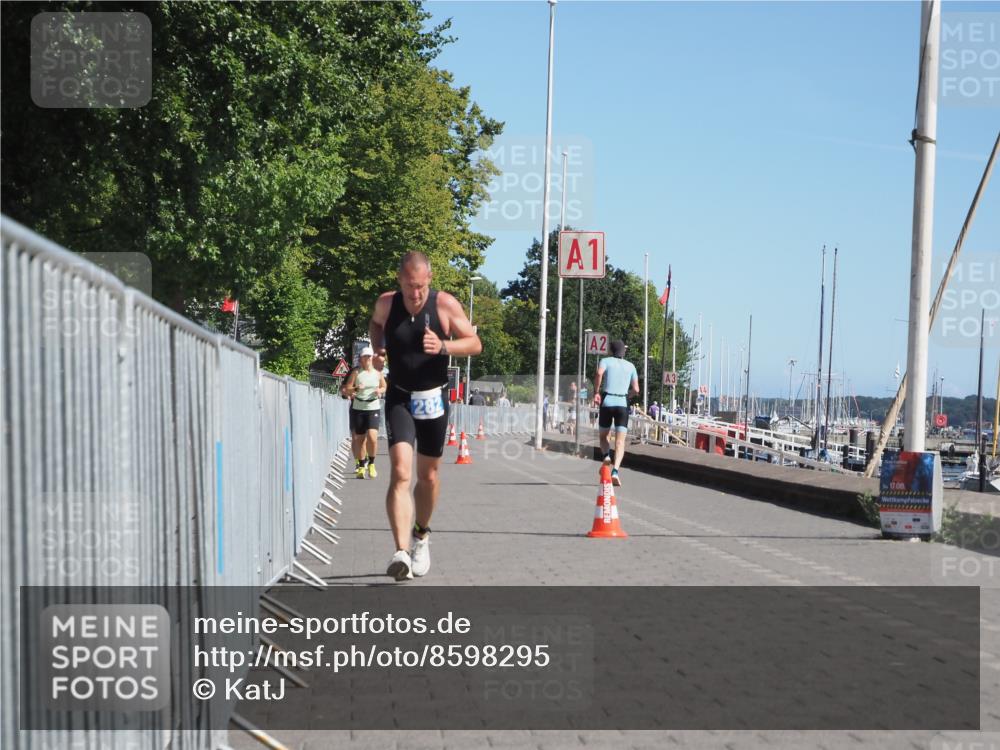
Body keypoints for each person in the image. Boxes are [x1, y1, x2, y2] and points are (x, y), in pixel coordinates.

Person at [369, 252, 482, 581]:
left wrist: (444, 347)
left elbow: (475, 343)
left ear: (429, 279)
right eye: (409, 286)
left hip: (432, 397)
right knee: (400, 472)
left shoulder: (444, 304)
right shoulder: (387, 304)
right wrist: (378, 350)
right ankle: (401, 552)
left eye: (420, 286)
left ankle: (421, 535)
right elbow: (375, 325)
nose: (415, 293)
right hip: (400, 396)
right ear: (399, 280)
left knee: (428, 476)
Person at [593, 339, 639, 487]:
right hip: (622, 404)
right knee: (620, 442)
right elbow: (636, 389)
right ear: (623, 351)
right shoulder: (631, 366)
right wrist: (627, 395)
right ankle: (615, 472)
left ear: (611, 350)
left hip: (607, 401)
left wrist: (596, 392)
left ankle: (606, 456)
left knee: (603, 436)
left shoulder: (605, 361)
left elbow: (599, 373)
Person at [342, 346, 387, 479]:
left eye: (369, 356)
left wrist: (380, 391)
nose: (367, 359)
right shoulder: (356, 373)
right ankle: (361, 465)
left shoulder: (378, 373)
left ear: (372, 358)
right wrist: (356, 388)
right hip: (358, 408)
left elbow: (384, 386)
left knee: (372, 437)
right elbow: (347, 389)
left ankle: (371, 464)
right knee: (360, 439)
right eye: (365, 357)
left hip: (373, 407)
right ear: (361, 359)